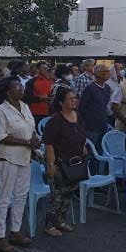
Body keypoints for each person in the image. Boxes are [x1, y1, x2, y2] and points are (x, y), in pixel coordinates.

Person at [0, 78, 38, 252]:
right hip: (8, 158)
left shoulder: (24, 106)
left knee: (20, 196)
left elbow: (30, 126)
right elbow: (1, 136)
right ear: (8, 91)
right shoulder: (0, 111)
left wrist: (33, 139)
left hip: (25, 157)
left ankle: (15, 231)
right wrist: (26, 141)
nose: (21, 89)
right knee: (4, 198)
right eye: (16, 87)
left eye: (21, 86)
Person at [42, 88, 86, 237]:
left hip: (75, 163)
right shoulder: (55, 121)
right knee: (57, 196)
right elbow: (48, 144)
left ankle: (60, 221)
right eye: (70, 99)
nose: (74, 101)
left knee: (68, 194)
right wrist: (51, 165)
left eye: (75, 98)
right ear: (61, 102)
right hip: (60, 163)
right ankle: (49, 225)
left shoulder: (78, 116)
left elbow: (81, 135)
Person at [79, 64, 112, 146]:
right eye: (106, 71)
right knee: (91, 150)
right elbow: (81, 108)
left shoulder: (107, 88)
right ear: (98, 74)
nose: (109, 73)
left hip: (103, 124)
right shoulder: (89, 89)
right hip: (91, 127)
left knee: (102, 149)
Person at [24, 61, 52, 126]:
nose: (46, 70)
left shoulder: (49, 81)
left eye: (47, 68)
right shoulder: (31, 82)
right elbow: (27, 97)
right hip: (35, 112)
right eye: (44, 68)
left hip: (47, 111)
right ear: (38, 69)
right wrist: (39, 98)